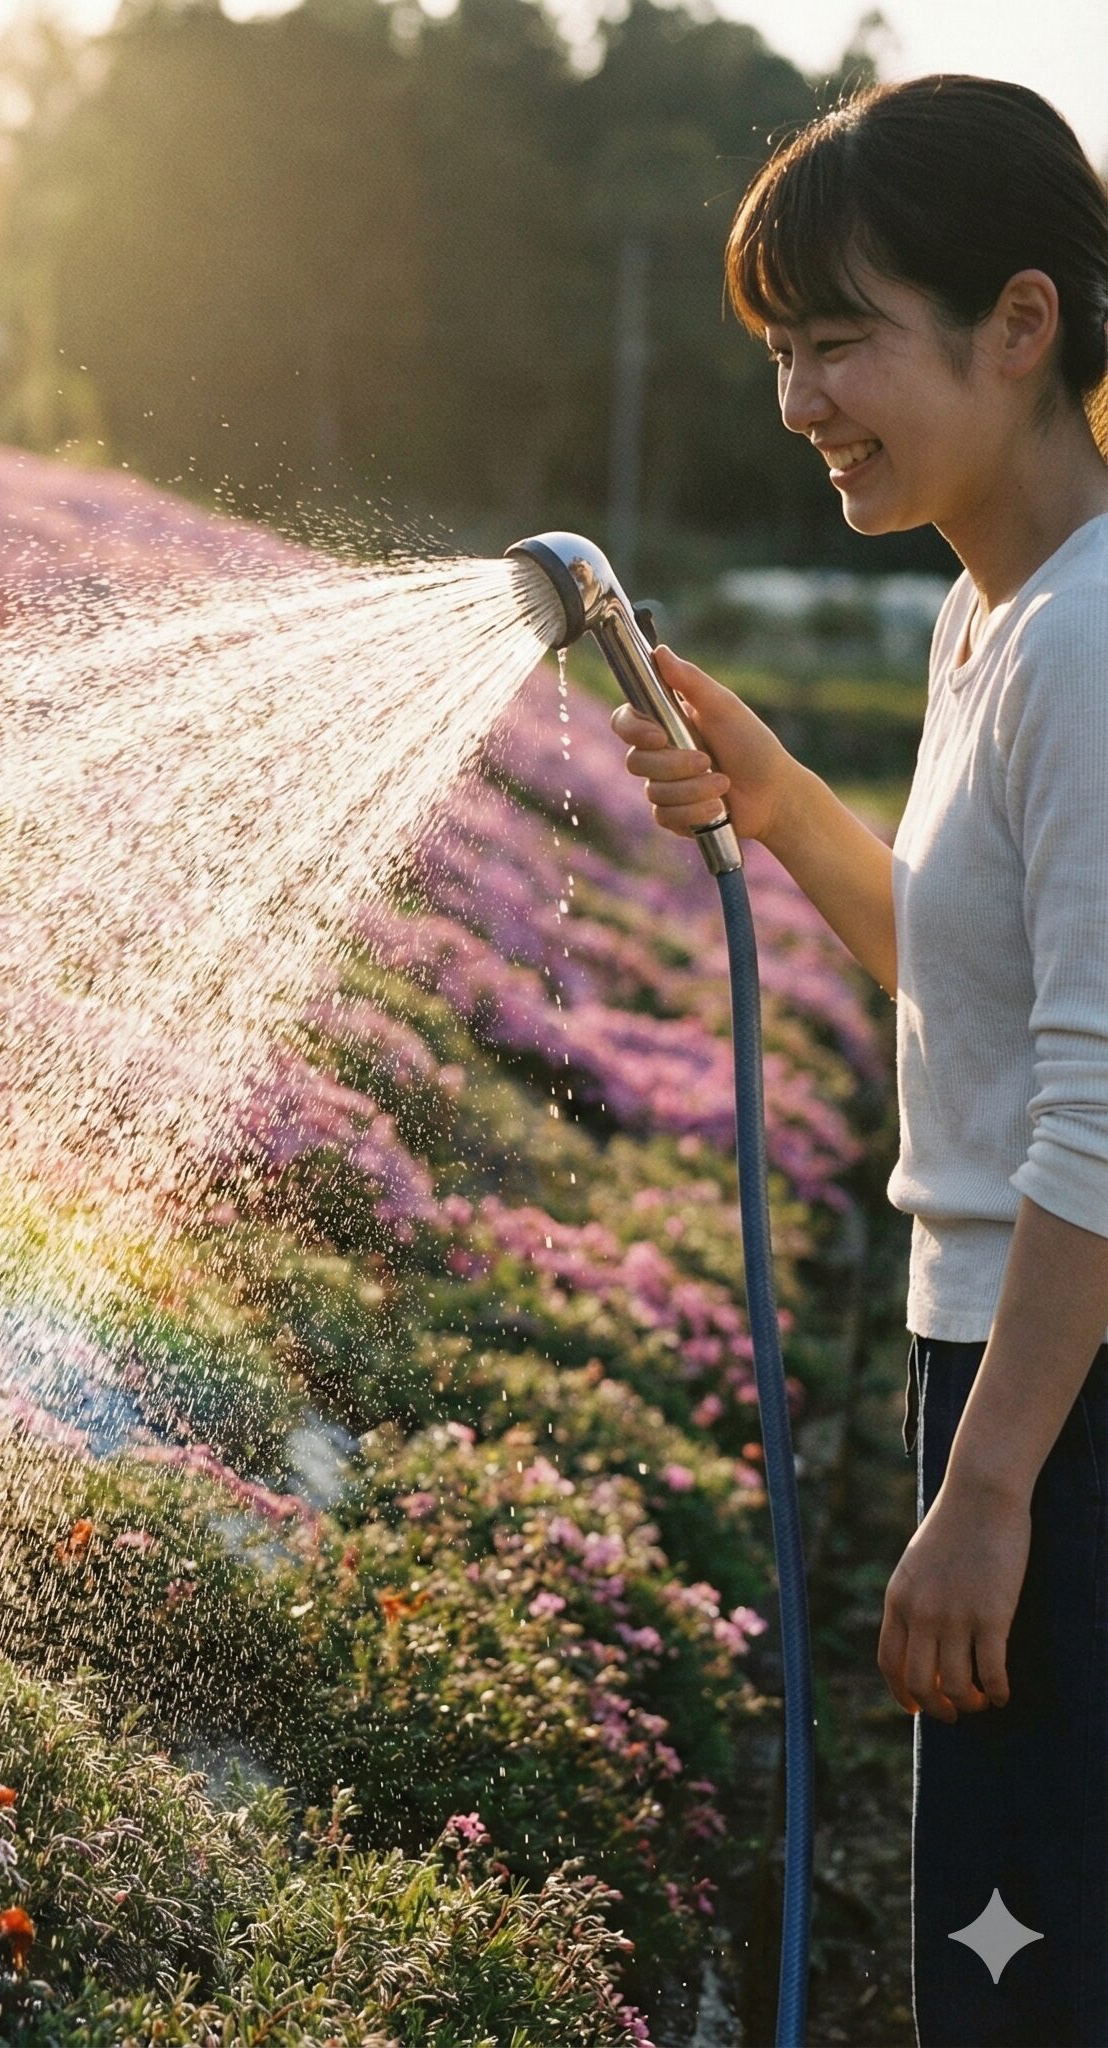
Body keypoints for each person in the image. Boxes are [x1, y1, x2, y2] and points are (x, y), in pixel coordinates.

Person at [607, 74, 1108, 2047]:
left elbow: (1099, 1107)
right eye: (781, 353)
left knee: (1029, 1974)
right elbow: (967, 988)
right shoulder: (991, 623)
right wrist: (778, 795)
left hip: (1057, 1396)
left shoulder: (1087, 646)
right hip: (1005, 1369)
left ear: (1017, 322)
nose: (801, 401)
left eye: (839, 343)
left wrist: (987, 1490)